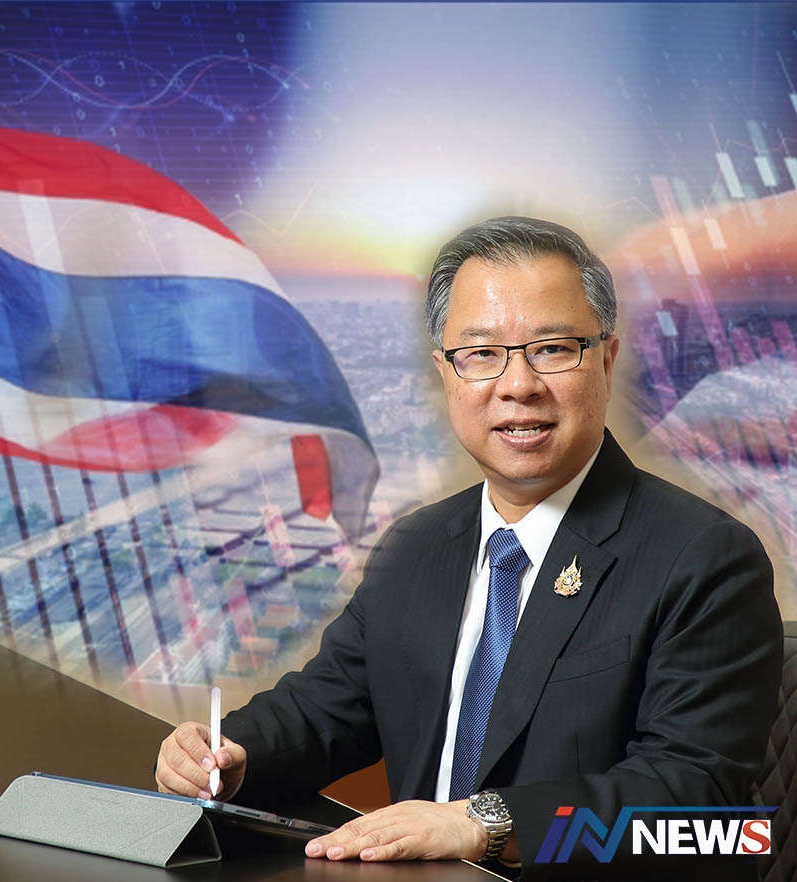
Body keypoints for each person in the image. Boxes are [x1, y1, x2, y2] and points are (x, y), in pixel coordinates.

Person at [154, 217, 783, 879]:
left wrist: (485, 825)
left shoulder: (705, 558)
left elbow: (703, 813)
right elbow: (325, 708)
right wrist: (229, 754)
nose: (518, 385)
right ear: (446, 373)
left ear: (605, 358)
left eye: (552, 348)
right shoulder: (417, 546)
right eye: (482, 354)